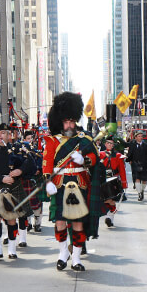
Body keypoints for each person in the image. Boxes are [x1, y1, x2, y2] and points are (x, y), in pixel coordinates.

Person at [42, 92, 101, 271]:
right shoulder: (53, 141)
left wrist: (84, 160)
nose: (69, 125)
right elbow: (46, 162)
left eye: (71, 121)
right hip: (60, 184)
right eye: (66, 122)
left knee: (77, 223)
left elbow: (95, 157)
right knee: (60, 222)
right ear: (60, 122)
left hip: (79, 183)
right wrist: (48, 182)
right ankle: (62, 253)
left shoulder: (84, 140)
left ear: (75, 121)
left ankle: (76, 258)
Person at [0, 123, 35, 259]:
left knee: (11, 219)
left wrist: (20, 170)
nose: (0, 135)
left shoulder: (18, 149)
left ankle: (12, 250)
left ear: (9, 135)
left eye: (3, 133)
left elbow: (30, 161)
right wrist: (2, 178)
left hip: (14, 187)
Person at [100, 136, 128, 227]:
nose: (109, 145)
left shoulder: (118, 156)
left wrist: (124, 183)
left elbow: (122, 170)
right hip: (102, 180)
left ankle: (110, 217)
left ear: (113, 145)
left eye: (111, 143)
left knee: (111, 199)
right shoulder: (100, 154)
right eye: (108, 143)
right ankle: (109, 216)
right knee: (104, 200)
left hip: (114, 180)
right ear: (105, 144)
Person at [126, 131, 147, 201]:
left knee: (144, 181)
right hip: (135, 164)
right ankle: (139, 193)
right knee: (137, 179)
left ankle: (142, 190)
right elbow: (129, 154)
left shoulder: (146, 146)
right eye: (139, 136)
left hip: (144, 165)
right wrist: (128, 159)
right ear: (135, 137)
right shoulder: (132, 145)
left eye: (141, 136)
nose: (141, 137)